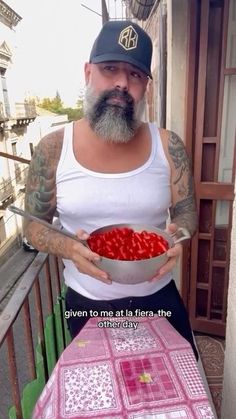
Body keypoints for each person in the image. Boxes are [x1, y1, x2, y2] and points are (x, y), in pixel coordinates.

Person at [24, 21, 198, 359]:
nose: (121, 82)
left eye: (135, 75)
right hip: (87, 304)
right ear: (88, 72)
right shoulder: (53, 149)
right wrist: (69, 247)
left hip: (159, 297)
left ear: (146, 87)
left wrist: (181, 236)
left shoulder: (169, 145)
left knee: (177, 394)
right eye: (109, 69)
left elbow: (186, 210)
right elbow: (33, 225)